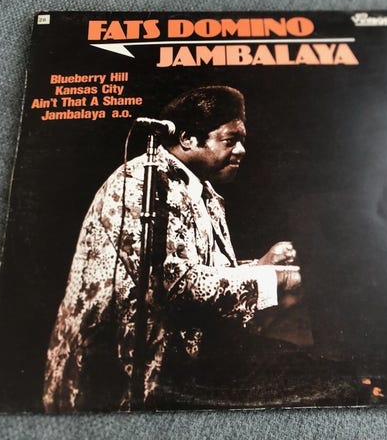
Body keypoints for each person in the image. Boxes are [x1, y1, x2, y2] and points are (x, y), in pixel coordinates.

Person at [43, 85, 301, 412]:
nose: (241, 150)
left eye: (242, 140)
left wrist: (263, 266)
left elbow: (210, 274)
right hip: (111, 380)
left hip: (166, 372)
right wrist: (280, 278)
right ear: (188, 139)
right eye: (230, 140)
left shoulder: (205, 193)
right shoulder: (140, 183)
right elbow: (178, 285)